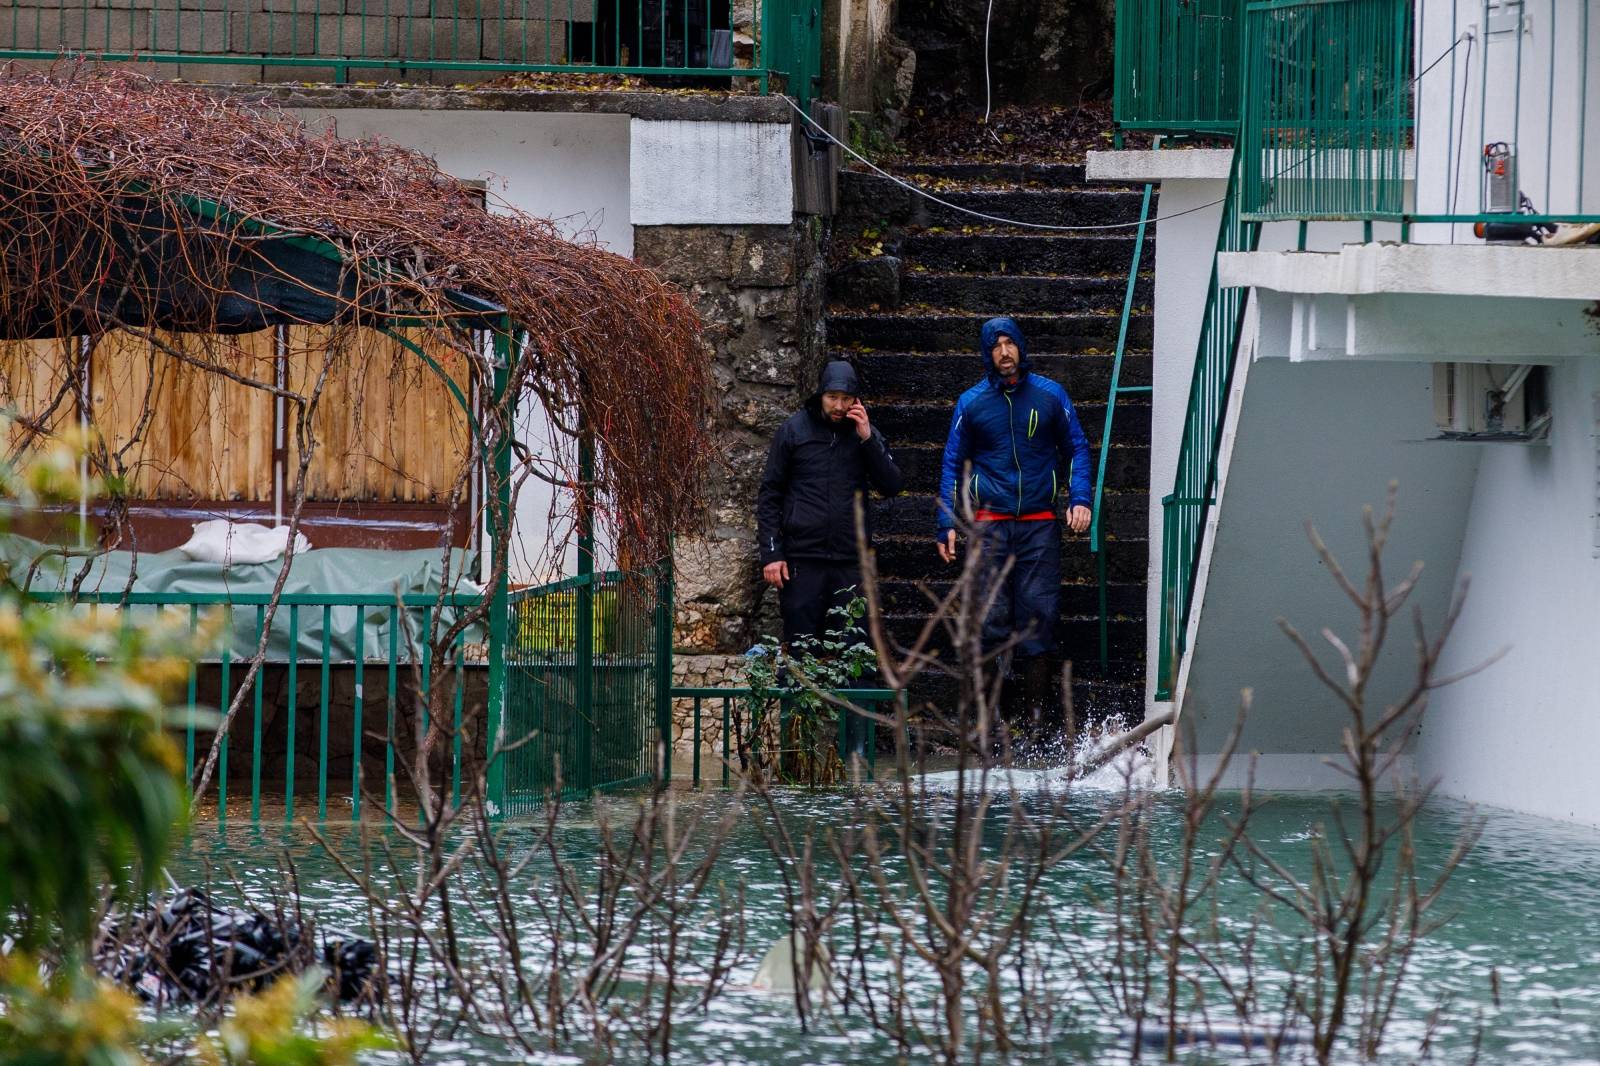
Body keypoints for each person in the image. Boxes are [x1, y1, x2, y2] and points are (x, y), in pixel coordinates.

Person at [936, 316, 1092, 733]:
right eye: (995, 346)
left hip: (1039, 525)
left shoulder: (1049, 394)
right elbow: (952, 462)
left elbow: (1076, 445)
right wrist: (946, 522)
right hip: (989, 526)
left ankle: (1036, 722)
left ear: (1021, 347)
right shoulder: (971, 403)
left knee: (1039, 619)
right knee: (990, 621)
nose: (1004, 353)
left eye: (1010, 344)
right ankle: (990, 722)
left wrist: (1080, 498)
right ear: (987, 354)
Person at [757, 359, 904, 648]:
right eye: (832, 398)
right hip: (802, 558)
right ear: (821, 394)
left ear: (855, 400)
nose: (839, 406)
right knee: (801, 645)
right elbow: (770, 493)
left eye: (846, 399)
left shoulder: (864, 434)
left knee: (855, 647)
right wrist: (772, 553)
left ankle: (853, 695)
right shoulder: (793, 430)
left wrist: (867, 439)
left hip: (850, 559)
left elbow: (892, 485)